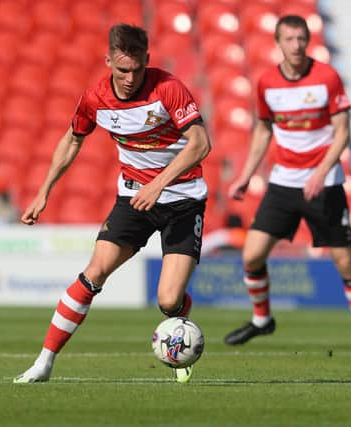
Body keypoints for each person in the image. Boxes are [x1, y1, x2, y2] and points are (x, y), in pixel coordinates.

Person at [14, 24, 211, 383]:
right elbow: (73, 139)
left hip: (183, 199)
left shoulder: (168, 89)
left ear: (147, 61)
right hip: (133, 198)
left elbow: (200, 143)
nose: (130, 78)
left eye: (137, 70)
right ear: (108, 62)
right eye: (122, 70)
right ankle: (43, 363)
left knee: (168, 300)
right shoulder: (95, 98)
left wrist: (159, 184)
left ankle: (180, 337)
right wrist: (44, 190)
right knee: (93, 273)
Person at [223, 15, 351, 349]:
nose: (295, 46)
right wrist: (246, 176)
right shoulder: (267, 83)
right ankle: (262, 320)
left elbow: (343, 132)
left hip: (326, 184)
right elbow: (263, 129)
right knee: (251, 256)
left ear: (308, 41)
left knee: (346, 262)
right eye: (289, 40)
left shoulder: (326, 77)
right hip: (283, 183)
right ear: (278, 43)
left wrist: (320, 173)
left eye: (300, 39)